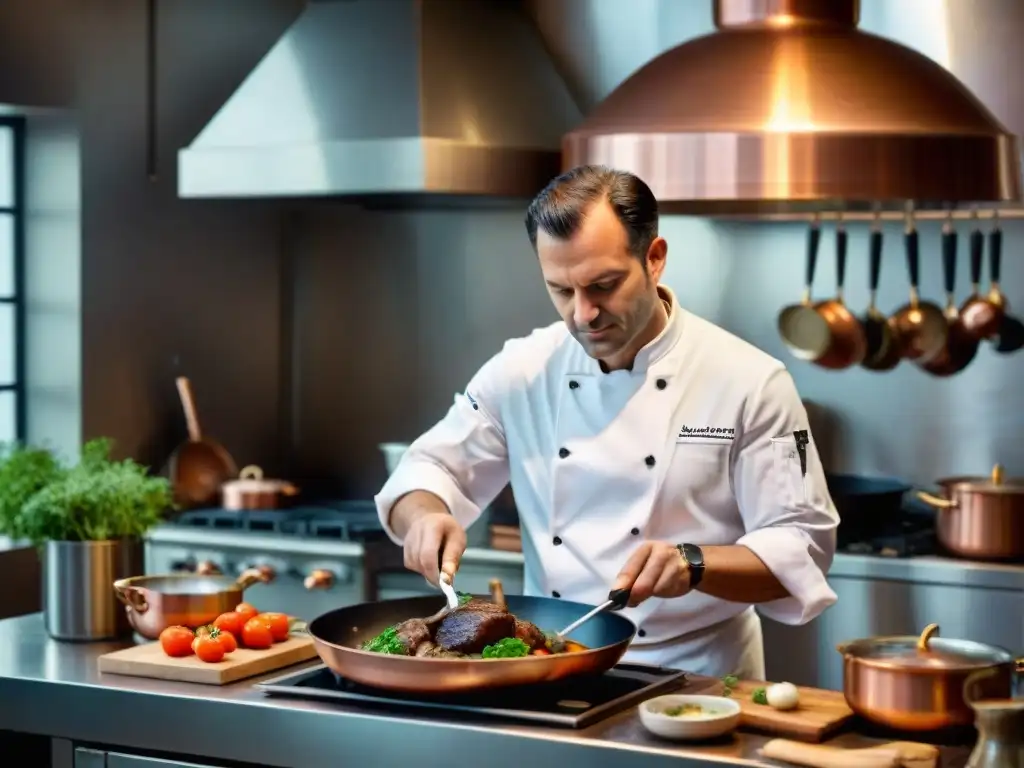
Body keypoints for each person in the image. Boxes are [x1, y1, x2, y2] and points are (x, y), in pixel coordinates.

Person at [374, 165, 839, 678]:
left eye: (604, 285)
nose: (583, 314)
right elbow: (428, 471)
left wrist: (694, 564)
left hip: (697, 675)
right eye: (561, 290)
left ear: (655, 259)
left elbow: (801, 546)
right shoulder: (522, 370)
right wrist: (424, 518)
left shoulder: (750, 382)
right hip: (549, 665)